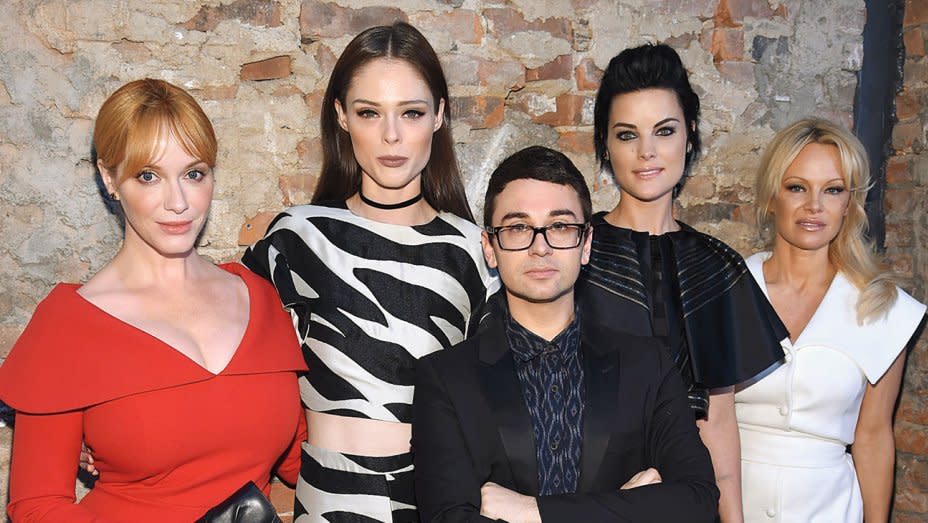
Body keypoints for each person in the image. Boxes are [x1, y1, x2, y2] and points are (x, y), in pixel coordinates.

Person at [0, 79, 306, 521]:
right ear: (110, 178)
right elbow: (38, 508)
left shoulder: (258, 297)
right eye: (149, 176)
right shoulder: (69, 325)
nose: (178, 202)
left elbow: (301, 461)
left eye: (193, 174)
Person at [242, 22, 499, 522]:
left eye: (412, 112)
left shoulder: (472, 250)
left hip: (440, 498)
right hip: (329, 498)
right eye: (369, 112)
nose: (391, 135)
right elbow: (219, 351)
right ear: (341, 115)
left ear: (440, 115)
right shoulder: (298, 237)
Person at [413, 145, 720, 522]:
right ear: (490, 248)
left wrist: (531, 512)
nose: (540, 247)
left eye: (559, 226)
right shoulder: (445, 379)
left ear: (586, 243)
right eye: (518, 227)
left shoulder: (648, 365)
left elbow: (697, 502)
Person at [576, 43, 788, 522]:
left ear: (689, 136)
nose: (647, 152)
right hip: (584, 500)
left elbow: (719, 432)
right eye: (627, 134)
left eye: (664, 131)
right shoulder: (573, 252)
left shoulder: (716, 268)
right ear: (604, 144)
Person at [735, 118, 925, 522]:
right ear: (772, 196)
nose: (814, 206)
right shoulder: (727, 290)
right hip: (731, 502)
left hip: (830, 509)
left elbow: (873, 437)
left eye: (833, 190)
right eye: (797, 187)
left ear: (849, 203)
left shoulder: (885, 309)